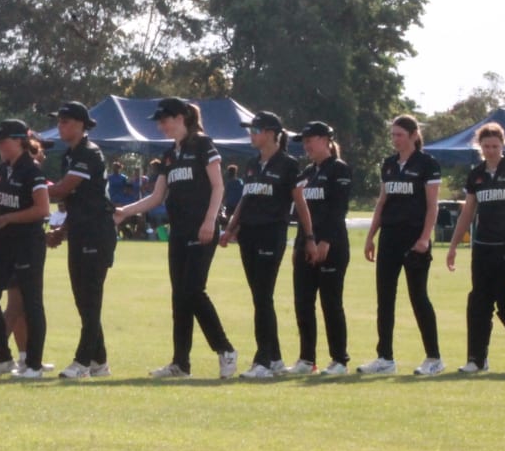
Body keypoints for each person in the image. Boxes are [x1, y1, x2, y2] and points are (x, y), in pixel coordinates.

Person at [114, 98, 238, 379]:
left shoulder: (203, 145)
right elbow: (157, 197)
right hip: (179, 232)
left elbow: (219, 187)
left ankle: (226, 349)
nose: (161, 126)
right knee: (180, 298)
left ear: (181, 117)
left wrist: (209, 221)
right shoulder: (170, 154)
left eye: (164, 120)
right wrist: (124, 212)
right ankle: (180, 364)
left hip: (202, 229)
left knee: (194, 291)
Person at [220, 111, 314, 379]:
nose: (252, 134)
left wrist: (309, 238)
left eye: (257, 130)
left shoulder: (288, 164)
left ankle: (262, 361)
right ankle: (273, 358)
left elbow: (301, 203)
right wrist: (230, 228)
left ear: (272, 133)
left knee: (263, 296)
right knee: (260, 298)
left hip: (271, 234)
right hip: (248, 235)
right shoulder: (251, 164)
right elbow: (245, 200)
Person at [446, 123, 505, 373]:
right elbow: (468, 211)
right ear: (480, 146)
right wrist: (454, 244)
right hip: (482, 247)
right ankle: (476, 360)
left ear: (503, 145)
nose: (490, 151)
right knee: (478, 302)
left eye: (495, 146)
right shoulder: (476, 174)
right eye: (486, 146)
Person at [361, 115, 444, 375]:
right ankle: (385, 357)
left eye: (399, 135)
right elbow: (382, 202)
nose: (395, 139)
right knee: (384, 298)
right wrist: (371, 235)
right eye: (393, 135)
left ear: (412, 135)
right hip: (389, 238)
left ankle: (434, 358)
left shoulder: (427, 164)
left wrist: (424, 238)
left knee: (418, 297)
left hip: (414, 239)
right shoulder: (388, 164)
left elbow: (433, 205)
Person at [0, 119, 51, 379]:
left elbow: (42, 210)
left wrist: (7, 219)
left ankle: (33, 365)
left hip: (27, 244)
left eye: (3, 140)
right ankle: (1, 357)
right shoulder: (4, 169)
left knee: (31, 303)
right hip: (2, 244)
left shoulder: (32, 171)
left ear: (19, 140)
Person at [47, 101, 116, 379]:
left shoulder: (88, 153)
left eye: (64, 121)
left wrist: (32, 188)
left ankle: (82, 362)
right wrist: (61, 232)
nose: (60, 126)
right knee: (83, 301)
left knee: (90, 301)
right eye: (59, 121)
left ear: (79, 124)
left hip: (97, 233)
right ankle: (100, 362)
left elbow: (64, 189)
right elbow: (73, 201)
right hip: (79, 232)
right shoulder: (69, 155)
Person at [289, 122, 352, 375]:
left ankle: (339, 360)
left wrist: (325, 241)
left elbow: (338, 209)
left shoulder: (339, 169)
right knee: (303, 302)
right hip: (305, 243)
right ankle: (307, 359)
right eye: (303, 141)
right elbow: (299, 212)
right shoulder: (306, 172)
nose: (306, 146)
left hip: (331, 245)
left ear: (326, 140)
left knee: (330, 303)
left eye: (310, 140)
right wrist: (301, 244)